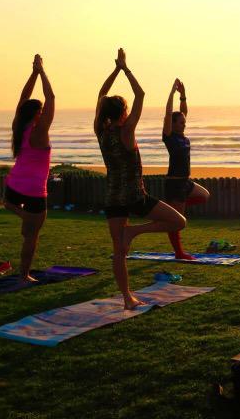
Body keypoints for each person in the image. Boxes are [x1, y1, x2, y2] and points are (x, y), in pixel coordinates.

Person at [95, 48, 186, 309]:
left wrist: (115, 70)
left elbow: (101, 96)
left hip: (113, 197)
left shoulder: (100, 130)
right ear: (123, 112)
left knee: (118, 251)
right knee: (178, 221)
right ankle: (134, 232)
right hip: (135, 195)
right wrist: (125, 69)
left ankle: (127, 298)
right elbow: (141, 94)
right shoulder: (126, 130)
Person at [4, 54, 54, 283]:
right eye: (41, 110)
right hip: (34, 189)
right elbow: (51, 96)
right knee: (31, 236)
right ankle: (24, 275)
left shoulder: (19, 125)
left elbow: (23, 97)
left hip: (14, 184)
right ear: (37, 114)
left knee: (18, 215)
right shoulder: (40, 130)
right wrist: (42, 72)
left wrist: (33, 73)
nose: (44, 113)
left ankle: (21, 214)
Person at [161, 78, 209, 260]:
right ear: (172, 124)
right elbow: (167, 114)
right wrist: (172, 93)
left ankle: (172, 210)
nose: (184, 124)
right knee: (177, 223)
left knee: (204, 196)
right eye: (180, 122)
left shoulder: (182, 136)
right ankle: (179, 253)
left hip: (185, 181)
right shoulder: (169, 137)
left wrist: (183, 96)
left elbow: (184, 112)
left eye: (184, 122)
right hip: (174, 183)